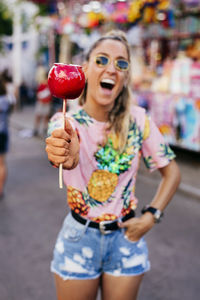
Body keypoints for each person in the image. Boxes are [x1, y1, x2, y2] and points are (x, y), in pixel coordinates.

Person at [45, 30, 181, 300]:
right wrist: (65, 153)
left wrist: (151, 216)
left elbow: (172, 173)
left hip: (125, 239)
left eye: (121, 63)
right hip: (78, 237)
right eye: (102, 60)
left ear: (126, 76)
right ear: (84, 69)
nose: (112, 69)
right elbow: (65, 153)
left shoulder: (139, 121)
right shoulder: (66, 122)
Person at [0, 76, 11, 200]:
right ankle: (1, 188)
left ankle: (1, 188)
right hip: (3, 133)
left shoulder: (2, 101)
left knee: (1, 163)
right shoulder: (5, 99)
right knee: (1, 163)